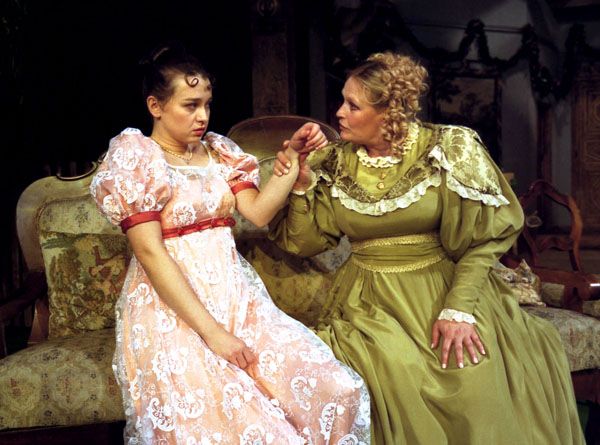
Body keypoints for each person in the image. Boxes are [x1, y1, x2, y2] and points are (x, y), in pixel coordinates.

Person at [269, 52, 584, 445]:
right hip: (366, 303)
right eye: (342, 101)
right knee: (387, 371)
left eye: (353, 105)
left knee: (470, 376)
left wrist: (458, 309)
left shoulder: (449, 148)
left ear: (389, 113)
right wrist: (301, 186)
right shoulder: (332, 162)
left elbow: (484, 241)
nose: (339, 113)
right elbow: (304, 242)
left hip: (443, 291)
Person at [90, 44, 370, 445]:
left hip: (237, 299)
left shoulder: (219, 153)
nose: (202, 116)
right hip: (174, 312)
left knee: (336, 389)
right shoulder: (137, 158)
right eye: (190, 105)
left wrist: (291, 159)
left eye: (206, 104)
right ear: (155, 106)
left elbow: (258, 212)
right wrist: (213, 333)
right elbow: (150, 252)